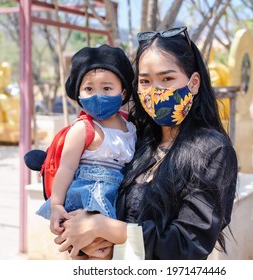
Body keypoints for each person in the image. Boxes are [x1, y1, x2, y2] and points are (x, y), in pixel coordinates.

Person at [54, 26, 238, 260]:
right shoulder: (135, 138)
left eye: (167, 78)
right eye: (145, 81)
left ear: (193, 83)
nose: (155, 90)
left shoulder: (213, 151)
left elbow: (188, 244)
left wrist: (103, 228)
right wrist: (87, 242)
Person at [35, 45, 136, 258]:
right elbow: (66, 168)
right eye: (89, 89)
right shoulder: (82, 129)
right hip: (89, 194)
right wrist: (56, 204)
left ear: (123, 92)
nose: (98, 95)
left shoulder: (131, 127)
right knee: (93, 252)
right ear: (79, 94)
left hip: (116, 194)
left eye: (107, 88)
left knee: (108, 251)